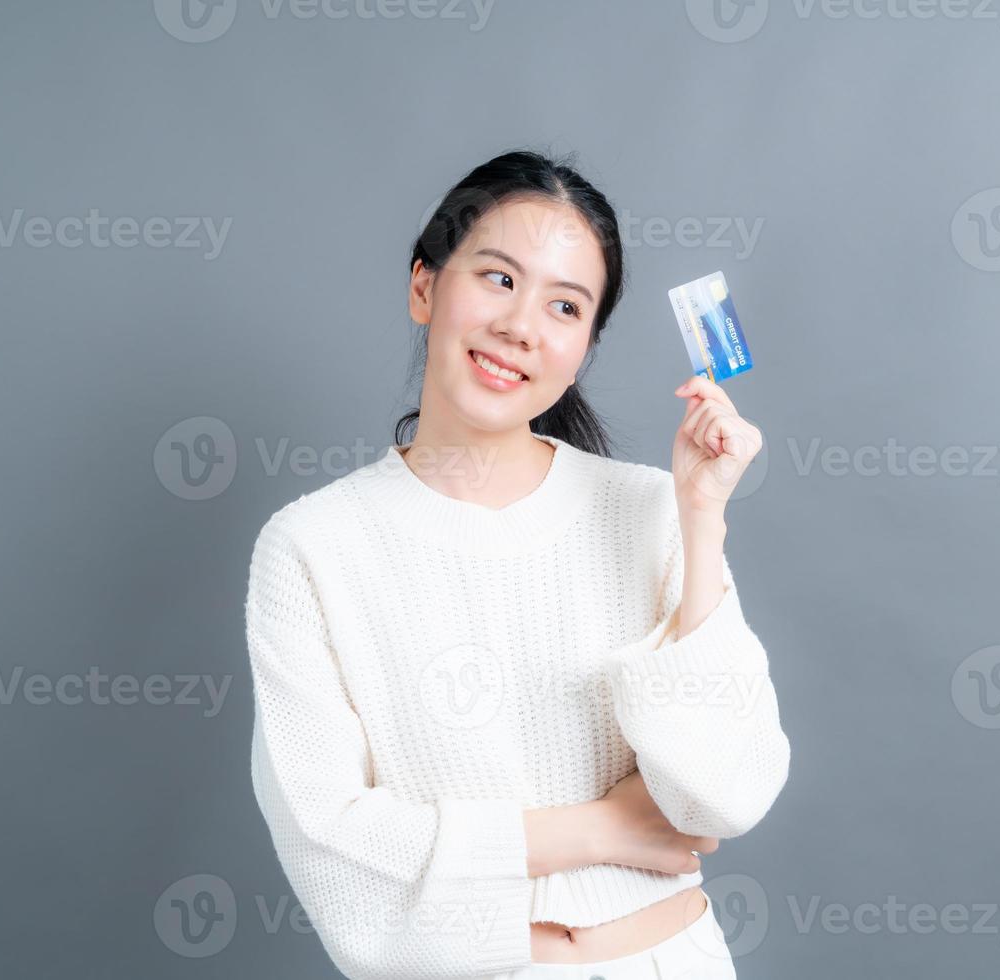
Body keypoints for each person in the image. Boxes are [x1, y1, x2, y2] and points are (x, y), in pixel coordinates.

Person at [244, 149, 791, 979]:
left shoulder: (652, 509)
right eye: (498, 279)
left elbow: (724, 793)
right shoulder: (313, 547)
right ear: (425, 286)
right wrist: (598, 830)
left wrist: (702, 520)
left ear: (583, 347)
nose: (521, 326)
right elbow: (331, 839)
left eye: (565, 306)